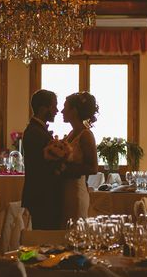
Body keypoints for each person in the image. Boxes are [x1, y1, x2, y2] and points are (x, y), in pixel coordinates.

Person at [21, 89, 61, 229]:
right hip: (41, 195)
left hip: (42, 195)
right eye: (53, 106)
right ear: (43, 108)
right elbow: (41, 166)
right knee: (44, 238)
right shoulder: (34, 132)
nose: (56, 110)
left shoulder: (38, 130)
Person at [60, 91, 99, 227]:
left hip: (76, 192)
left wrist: (65, 169)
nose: (62, 111)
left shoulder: (86, 135)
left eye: (65, 107)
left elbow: (93, 168)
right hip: (65, 191)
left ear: (74, 111)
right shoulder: (71, 133)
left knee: (75, 231)